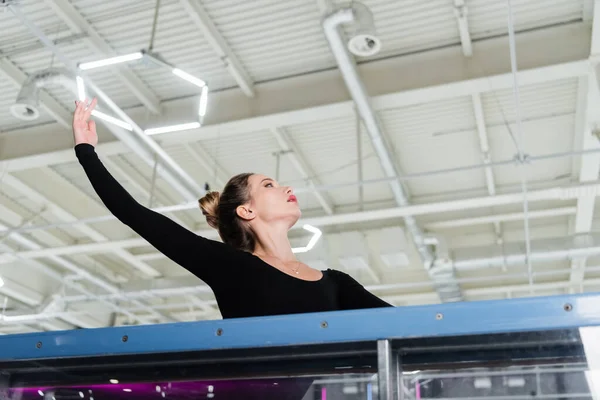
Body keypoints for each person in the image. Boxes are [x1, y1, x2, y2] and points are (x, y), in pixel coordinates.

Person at [72, 98, 392, 319]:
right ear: (246, 211)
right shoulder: (231, 266)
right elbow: (133, 213)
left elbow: (403, 324)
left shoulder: (336, 283)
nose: (287, 188)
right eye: (269, 184)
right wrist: (86, 151)